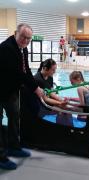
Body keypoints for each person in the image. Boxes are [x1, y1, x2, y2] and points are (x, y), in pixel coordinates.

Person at [0, 23, 44, 170]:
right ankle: (1, 157)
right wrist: (36, 88)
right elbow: (19, 74)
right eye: (23, 37)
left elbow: (27, 71)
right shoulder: (6, 48)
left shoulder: (23, 49)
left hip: (10, 90)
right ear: (15, 33)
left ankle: (13, 146)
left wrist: (36, 87)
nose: (26, 41)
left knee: (14, 115)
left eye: (29, 38)